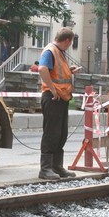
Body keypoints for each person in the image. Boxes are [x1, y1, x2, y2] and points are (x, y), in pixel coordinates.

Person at [37, 28, 79, 180]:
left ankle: (56, 166)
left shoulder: (58, 52)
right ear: (67, 41)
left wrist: (70, 70)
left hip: (61, 98)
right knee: (51, 133)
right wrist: (53, 90)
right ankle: (45, 168)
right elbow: (42, 69)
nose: (70, 45)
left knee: (60, 134)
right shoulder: (50, 51)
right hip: (53, 98)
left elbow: (55, 72)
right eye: (71, 42)